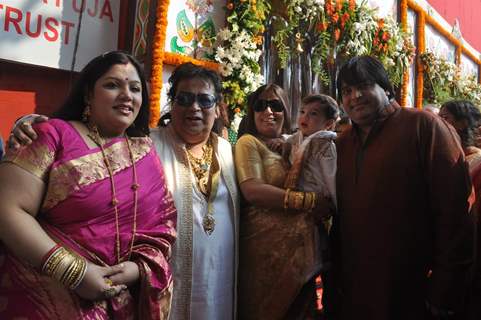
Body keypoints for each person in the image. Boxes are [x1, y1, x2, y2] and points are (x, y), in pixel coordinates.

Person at [8, 62, 240, 320]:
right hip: (148, 290)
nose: (194, 107)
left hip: (217, 285)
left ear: (218, 108)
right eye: (183, 99)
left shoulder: (230, 151)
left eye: (205, 100)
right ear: (171, 104)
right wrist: (28, 124)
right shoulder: (148, 145)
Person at [0, 51, 177, 319]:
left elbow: (162, 227)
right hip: (47, 299)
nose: (127, 95)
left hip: (121, 302)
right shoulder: (51, 135)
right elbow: (7, 210)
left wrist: (137, 269)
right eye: (112, 85)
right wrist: (74, 272)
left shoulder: (145, 151)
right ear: (87, 94)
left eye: (135, 88)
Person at [330, 55, 475, 320]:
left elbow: (455, 211)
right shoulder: (342, 144)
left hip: (414, 287)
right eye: (347, 91)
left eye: (363, 86)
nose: (355, 96)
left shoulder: (424, 126)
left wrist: (445, 287)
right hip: (357, 289)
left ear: (386, 88)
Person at [235, 84, 333, 319]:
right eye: (260, 105)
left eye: (275, 105)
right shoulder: (248, 142)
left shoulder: (296, 144)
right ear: (252, 113)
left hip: (302, 254)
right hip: (265, 252)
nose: (268, 111)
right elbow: (253, 191)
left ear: (286, 111)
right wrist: (310, 201)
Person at [438, 100, 481, 320]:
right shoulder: (451, 158)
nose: (439, 122)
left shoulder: (477, 161)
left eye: (446, 118)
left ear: (463, 124)